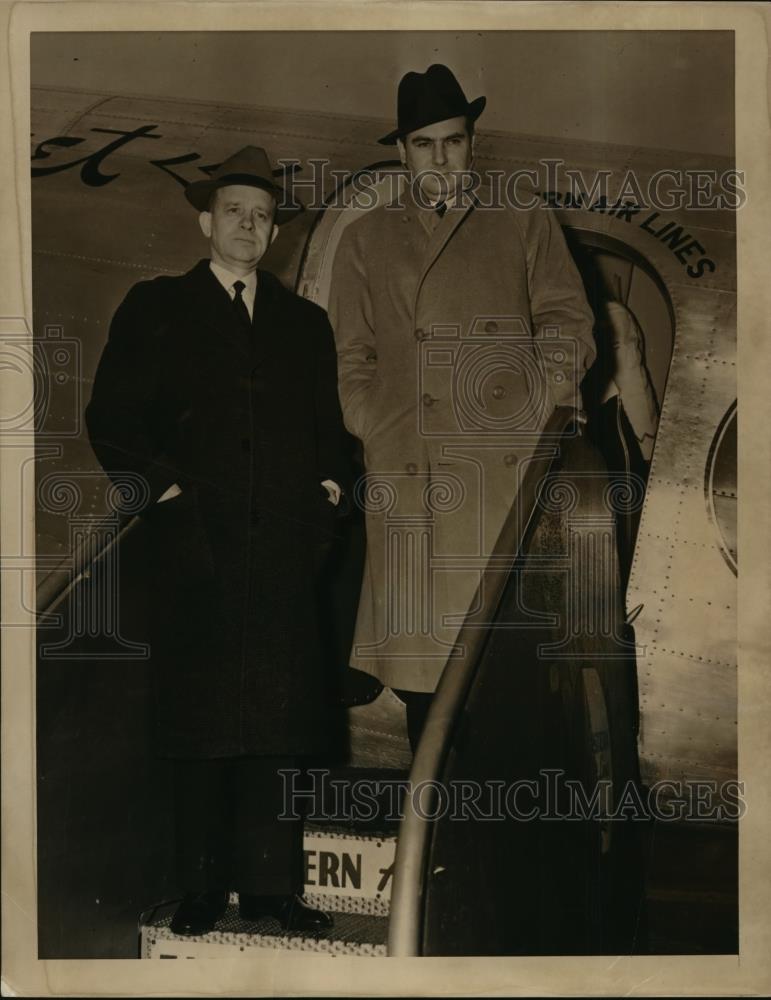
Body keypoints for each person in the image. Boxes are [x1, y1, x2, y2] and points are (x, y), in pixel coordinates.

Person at [86, 146, 349, 936]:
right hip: (192, 550)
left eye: (262, 215)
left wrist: (329, 493)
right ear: (205, 221)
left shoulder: (305, 324)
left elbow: (327, 431)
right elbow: (111, 420)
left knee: (275, 726)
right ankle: (201, 888)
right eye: (234, 210)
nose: (248, 225)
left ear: (272, 234)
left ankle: (272, 890)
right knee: (200, 725)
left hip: (279, 555)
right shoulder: (156, 305)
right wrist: (162, 495)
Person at [327, 64, 597, 750]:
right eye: (424, 143)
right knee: (424, 678)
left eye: (453, 141)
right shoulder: (364, 237)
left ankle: (491, 840)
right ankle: (436, 845)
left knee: (496, 673)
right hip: (410, 473)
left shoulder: (521, 216)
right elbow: (348, 354)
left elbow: (568, 324)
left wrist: (533, 406)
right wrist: (372, 421)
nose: (440, 157)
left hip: (495, 478)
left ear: (472, 144)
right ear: (400, 151)